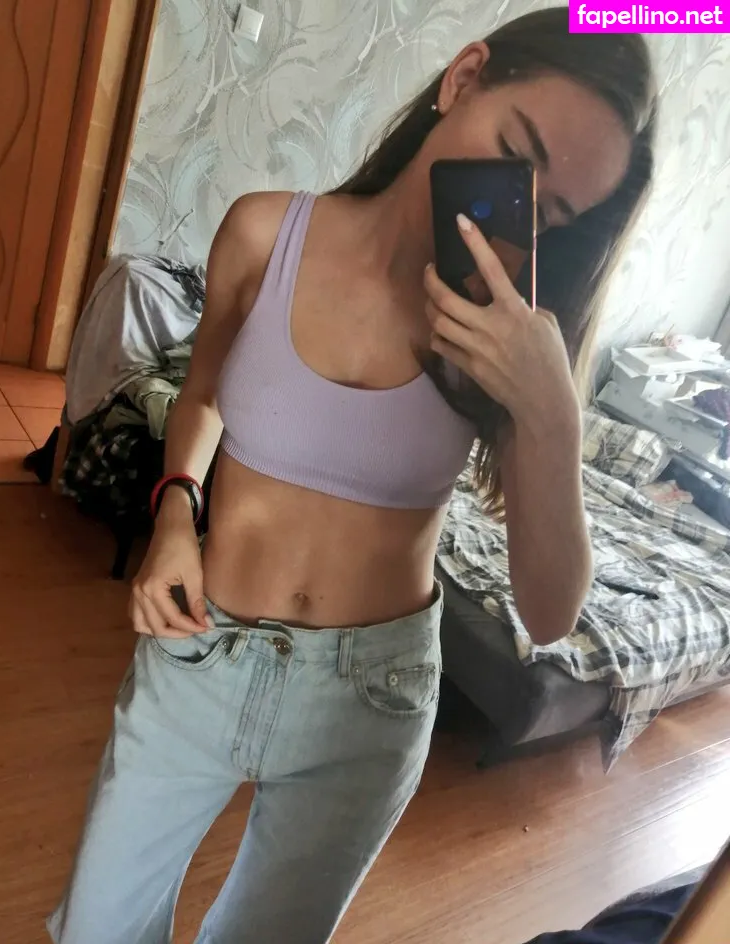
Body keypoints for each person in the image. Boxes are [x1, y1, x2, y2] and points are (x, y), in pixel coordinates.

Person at [48, 8, 657, 943]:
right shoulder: (265, 232)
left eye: (551, 214)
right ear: (464, 78)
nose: (517, 211)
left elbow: (548, 614)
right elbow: (202, 395)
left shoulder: (513, 341)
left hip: (370, 701)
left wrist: (552, 411)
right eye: (515, 155)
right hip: (199, 652)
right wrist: (174, 515)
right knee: (97, 928)